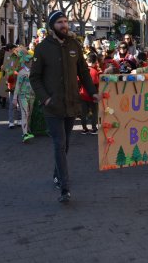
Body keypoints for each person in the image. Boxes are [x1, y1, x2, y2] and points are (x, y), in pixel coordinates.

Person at [29, 11, 98, 203]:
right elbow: (34, 77)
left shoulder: (74, 45)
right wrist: (45, 99)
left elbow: (84, 72)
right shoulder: (42, 48)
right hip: (53, 106)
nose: (64, 25)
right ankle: (65, 188)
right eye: (60, 22)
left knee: (65, 144)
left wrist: (92, 92)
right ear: (52, 26)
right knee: (59, 143)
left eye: (66, 21)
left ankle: (57, 174)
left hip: (71, 104)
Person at [12, 46, 35, 143]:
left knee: (29, 114)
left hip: (32, 95)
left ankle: (27, 130)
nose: (32, 63)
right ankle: (25, 134)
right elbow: (17, 85)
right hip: (23, 96)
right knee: (25, 114)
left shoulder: (34, 71)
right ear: (26, 62)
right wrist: (14, 98)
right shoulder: (22, 72)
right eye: (30, 61)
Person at [79, 53, 100, 135]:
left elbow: (78, 82)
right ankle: (94, 128)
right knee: (94, 112)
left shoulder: (82, 70)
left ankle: (84, 129)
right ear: (95, 62)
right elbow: (95, 85)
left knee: (83, 113)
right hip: (92, 96)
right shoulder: (94, 72)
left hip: (82, 95)